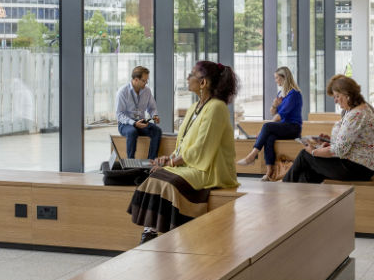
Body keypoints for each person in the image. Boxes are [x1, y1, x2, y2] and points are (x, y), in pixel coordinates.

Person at [128, 61, 239, 244]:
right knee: (154, 176)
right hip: (192, 164)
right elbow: (185, 144)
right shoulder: (194, 108)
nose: (188, 78)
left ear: (203, 83)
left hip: (210, 169)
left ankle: (158, 236)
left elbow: (201, 148)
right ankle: (152, 233)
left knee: (165, 181)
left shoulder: (217, 108)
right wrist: (169, 158)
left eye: (192, 74)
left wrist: (171, 163)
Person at [283, 74, 374, 184]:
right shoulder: (359, 110)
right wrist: (329, 144)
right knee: (307, 175)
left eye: (337, 96)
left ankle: (283, 189)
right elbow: (348, 144)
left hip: (357, 168)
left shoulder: (356, 115)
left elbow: (339, 150)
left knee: (304, 155)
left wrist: (314, 151)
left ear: (347, 94)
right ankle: (296, 197)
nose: (336, 101)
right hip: (359, 164)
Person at [237, 66, 303, 181]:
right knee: (269, 138)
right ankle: (269, 173)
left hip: (293, 127)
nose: (276, 80)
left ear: (284, 78)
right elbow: (273, 112)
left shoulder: (294, 94)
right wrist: (274, 105)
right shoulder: (281, 93)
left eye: (277, 78)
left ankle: (252, 156)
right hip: (283, 127)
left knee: (267, 126)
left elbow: (280, 116)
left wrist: (265, 128)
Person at [116, 66, 162, 159]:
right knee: (132, 132)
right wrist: (134, 123)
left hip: (141, 122)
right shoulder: (123, 92)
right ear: (136, 80)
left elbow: (152, 108)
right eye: (144, 81)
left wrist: (155, 115)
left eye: (147, 80)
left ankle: (151, 162)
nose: (146, 83)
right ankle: (131, 164)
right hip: (126, 124)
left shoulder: (147, 91)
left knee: (157, 131)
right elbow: (119, 114)